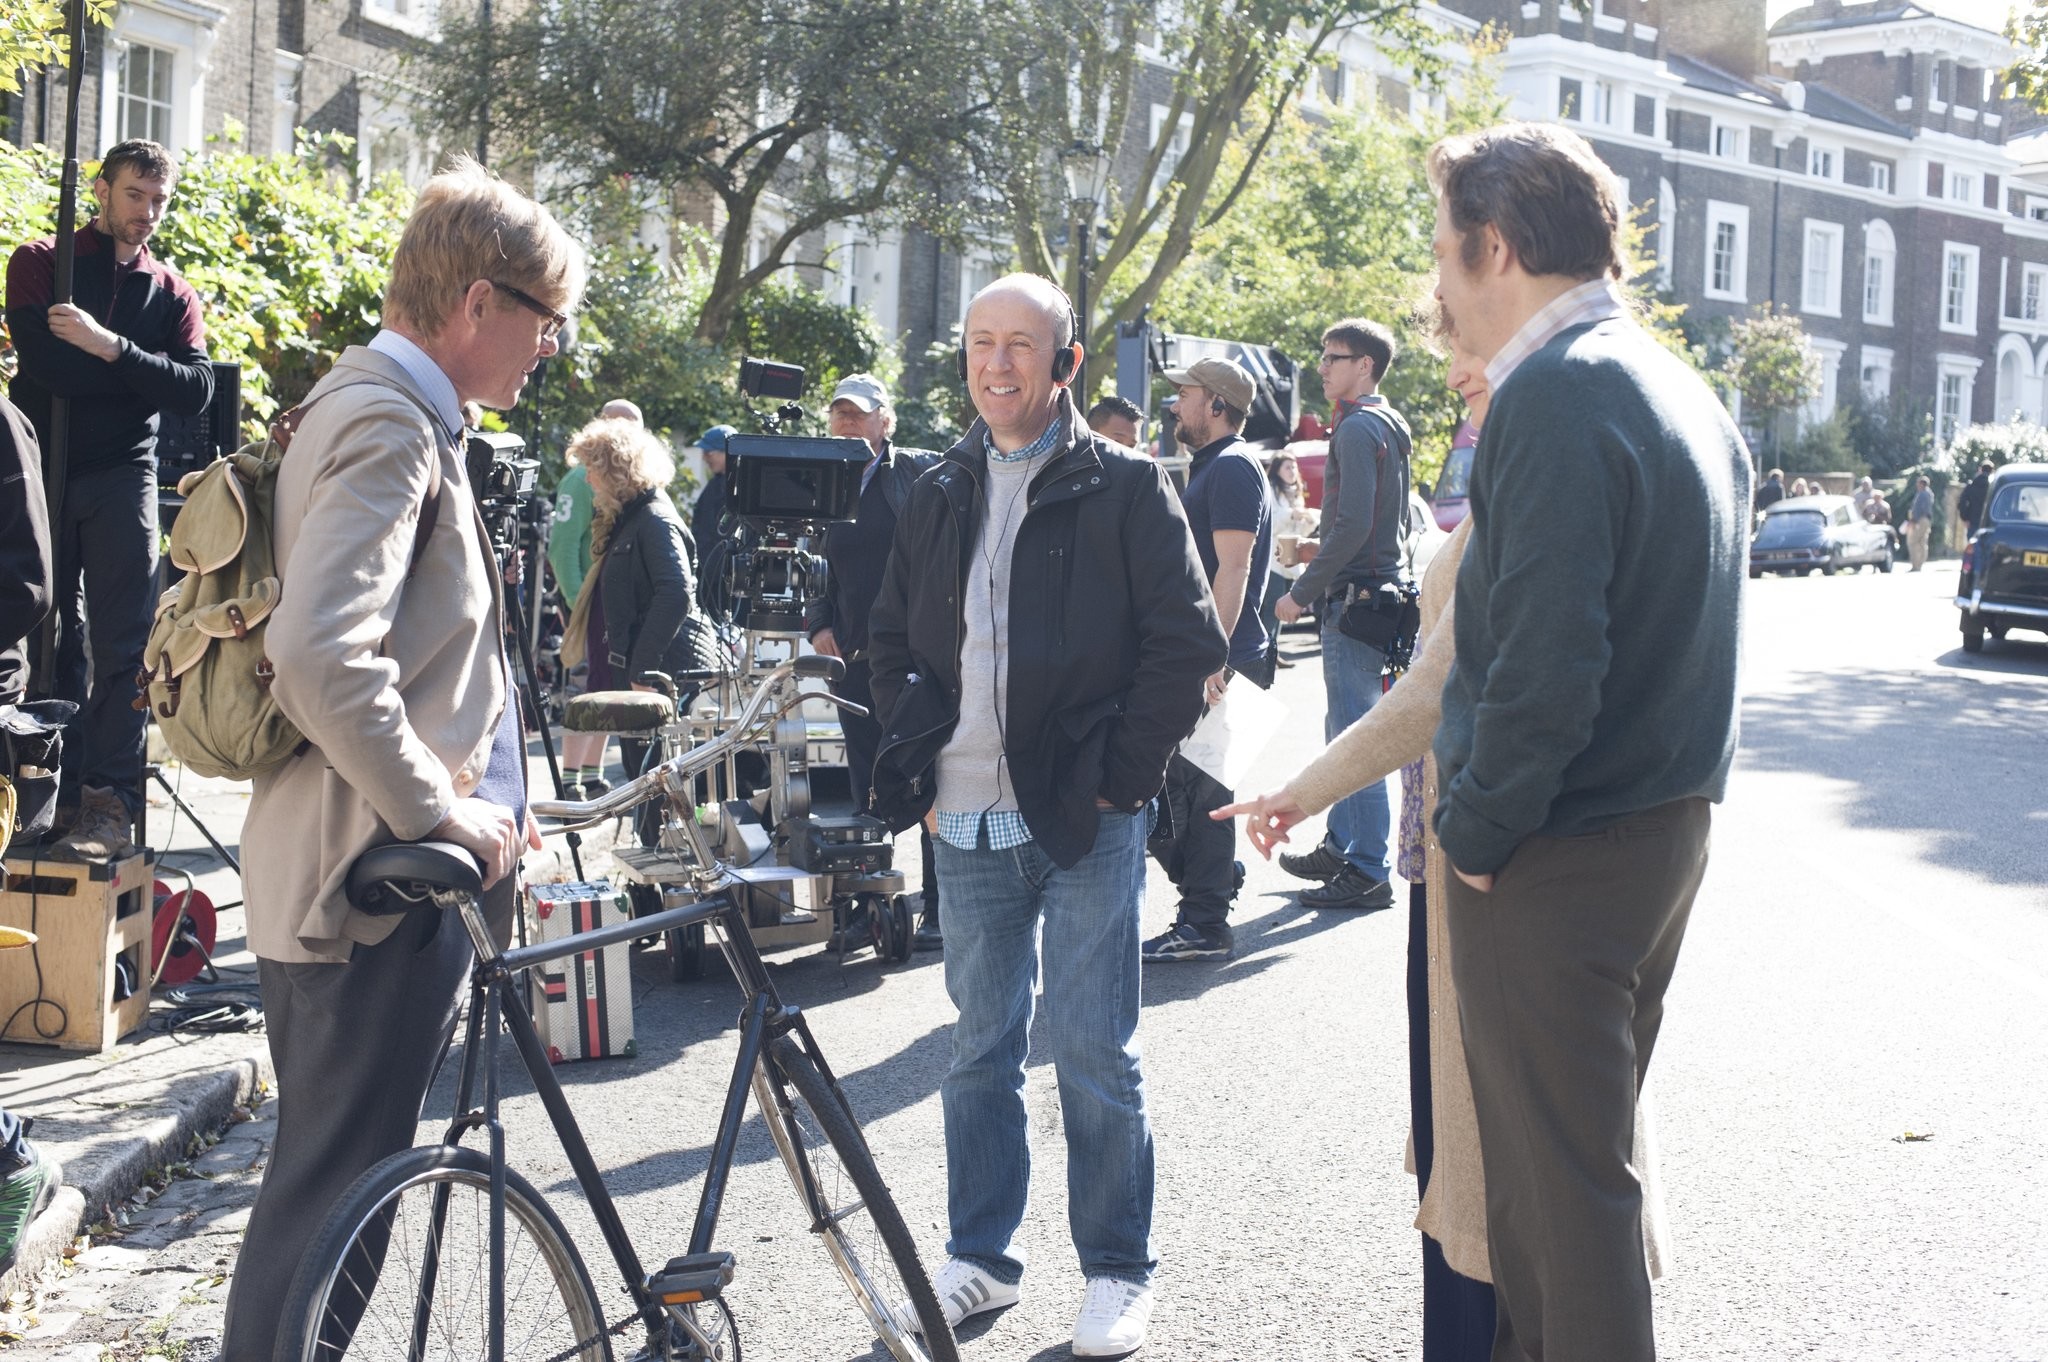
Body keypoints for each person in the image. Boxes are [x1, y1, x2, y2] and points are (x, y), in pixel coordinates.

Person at [219, 157, 583, 1361]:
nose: (549, 348)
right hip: (365, 889)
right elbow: (319, 653)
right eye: (544, 320)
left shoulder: (379, 405)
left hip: (352, 873)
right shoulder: (387, 422)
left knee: (329, 1198)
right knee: (331, 1209)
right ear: (478, 303)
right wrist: (446, 811)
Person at [1426, 120, 1746, 1362]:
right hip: (1656, 834)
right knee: (1563, 1196)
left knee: (1562, 1214)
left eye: (1444, 255)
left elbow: (1543, 667)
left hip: (1558, 849)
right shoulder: (1669, 380)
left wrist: (1474, 826)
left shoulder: (1551, 396)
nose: (1438, 293)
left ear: (1495, 247)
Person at [867, 273, 1224, 1357]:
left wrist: (1118, 777)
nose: (996, 363)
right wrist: (920, 767)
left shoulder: (1124, 483)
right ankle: (980, 1258)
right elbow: (888, 639)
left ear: (1065, 363)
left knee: (1091, 1054)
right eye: (980, 343)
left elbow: (1187, 644)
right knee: (977, 1050)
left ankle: (1117, 1269)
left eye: (1021, 345)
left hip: (1084, 816)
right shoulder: (936, 485)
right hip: (962, 819)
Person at [5, 139, 214, 861]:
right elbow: (42, 363)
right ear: (100, 190)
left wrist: (109, 348)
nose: (148, 214)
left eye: (160, 200)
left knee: (123, 643)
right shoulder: (42, 261)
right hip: (45, 466)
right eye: (135, 196)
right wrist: (137, 376)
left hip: (124, 473)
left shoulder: (171, 291)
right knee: (39, 630)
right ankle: (37, 790)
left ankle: (108, 801)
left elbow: (195, 391)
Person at [1273, 317, 1412, 911]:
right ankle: (1343, 843)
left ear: (1365, 366)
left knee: (1355, 737)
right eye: (1323, 356)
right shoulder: (1389, 421)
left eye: (1335, 357)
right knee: (1348, 733)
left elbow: (1356, 524)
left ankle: (1365, 867)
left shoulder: (1357, 429)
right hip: (1380, 593)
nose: (1323, 366)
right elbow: (1378, 522)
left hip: (1355, 599)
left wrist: (1300, 592)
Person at [804, 374, 945, 947]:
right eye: (838, 414)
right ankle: (870, 909)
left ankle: (942, 909)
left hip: (915, 663)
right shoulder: (825, 483)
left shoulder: (919, 470)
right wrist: (817, 622)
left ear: (886, 421)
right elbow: (815, 564)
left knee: (929, 778)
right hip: (855, 666)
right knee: (867, 790)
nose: (846, 423)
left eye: (858, 414)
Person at [1141, 356, 1272, 963]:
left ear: (1216, 405)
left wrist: (1211, 654)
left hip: (1221, 660)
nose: (1174, 405)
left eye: (1185, 394)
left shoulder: (1233, 469)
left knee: (1200, 794)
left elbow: (1236, 565)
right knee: (1176, 789)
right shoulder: (1214, 467)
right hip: (1206, 656)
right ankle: (1209, 891)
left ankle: (1205, 920)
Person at [552, 397, 641, 795]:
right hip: (588, 602)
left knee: (605, 686)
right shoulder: (580, 479)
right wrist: (578, 604)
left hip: (611, 606)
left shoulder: (628, 480)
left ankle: (592, 772)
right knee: (584, 689)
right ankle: (571, 778)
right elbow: (562, 548)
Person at [1261, 452, 1316, 670]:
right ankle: (1263, 652)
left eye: (1294, 467)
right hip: (1274, 558)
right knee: (1272, 607)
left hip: (1291, 558)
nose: (1292, 472)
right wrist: (1291, 515)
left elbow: (1300, 529)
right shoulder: (1272, 491)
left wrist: (1307, 521)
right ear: (1277, 470)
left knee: (1282, 607)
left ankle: (1272, 651)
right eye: (1287, 467)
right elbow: (1270, 523)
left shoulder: (1296, 494)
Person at [690, 423, 738, 558]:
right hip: (707, 567)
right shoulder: (714, 484)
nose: (704, 458)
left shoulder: (742, 487)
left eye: (708, 453)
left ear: (727, 452)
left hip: (727, 568)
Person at [1905, 474, 1936, 571]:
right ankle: (1919, 564)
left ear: (1922, 484)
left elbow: (1919, 509)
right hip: (1925, 520)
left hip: (1920, 520)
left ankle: (1916, 565)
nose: (1917, 485)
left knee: (1912, 541)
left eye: (1918, 483)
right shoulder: (1928, 493)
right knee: (1922, 542)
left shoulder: (1923, 494)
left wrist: (1913, 520)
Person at [1957, 459, 1993, 540]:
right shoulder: (1992, 488)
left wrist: (1965, 518)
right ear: (1991, 471)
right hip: (1988, 523)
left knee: (1972, 547)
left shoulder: (1972, 485)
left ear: (1980, 470)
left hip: (1973, 521)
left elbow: (1962, 502)